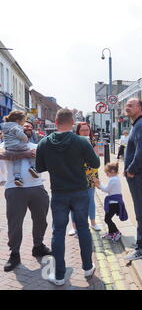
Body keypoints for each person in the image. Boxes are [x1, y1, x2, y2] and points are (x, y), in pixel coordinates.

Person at [35, 108, 100, 286]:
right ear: (73, 122)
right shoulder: (81, 141)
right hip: (79, 191)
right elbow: (96, 163)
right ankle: (87, 267)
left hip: (59, 194)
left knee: (58, 232)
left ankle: (59, 275)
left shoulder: (44, 143)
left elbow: (39, 168)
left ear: (55, 122)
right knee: (83, 228)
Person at [0, 141, 52, 272]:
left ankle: (38, 246)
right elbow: (1, 154)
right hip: (15, 188)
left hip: (37, 187)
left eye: (28, 127)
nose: (25, 129)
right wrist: (26, 154)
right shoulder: (6, 144)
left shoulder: (36, 146)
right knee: (14, 224)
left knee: (41, 220)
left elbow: (46, 162)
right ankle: (14, 254)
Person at [123, 98, 142, 261]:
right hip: (137, 175)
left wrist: (131, 171)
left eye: (131, 105)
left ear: (140, 108)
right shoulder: (138, 125)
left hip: (138, 175)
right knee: (140, 211)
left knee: (141, 212)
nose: (127, 108)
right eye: (126, 105)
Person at [68, 122, 101, 237]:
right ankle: (74, 227)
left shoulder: (93, 141)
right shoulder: (73, 141)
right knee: (74, 201)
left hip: (91, 175)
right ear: (78, 131)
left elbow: (96, 158)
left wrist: (88, 146)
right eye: (82, 130)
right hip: (77, 175)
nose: (85, 132)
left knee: (90, 199)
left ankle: (93, 223)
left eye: (87, 130)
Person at [0, 111, 39, 186]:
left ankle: (17, 177)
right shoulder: (15, 127)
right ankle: (33, 167)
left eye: (30, 127)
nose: (24, 124)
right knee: (30, 153)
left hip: (9, 147)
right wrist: (25, 140)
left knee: (16, 162)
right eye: (24, 123)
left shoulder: (6, 127)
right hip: (17, 145)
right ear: (18, 121)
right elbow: (20, 134)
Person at [94, 162, 128, 243]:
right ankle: (111, 233)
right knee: (108, 218)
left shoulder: (113, 180)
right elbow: (108, 188)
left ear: (112, 171)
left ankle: (116, 232)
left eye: (107, 173)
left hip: (114, 203)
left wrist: (98, 184)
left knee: (107, 219)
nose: (106, 175)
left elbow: (106, 189)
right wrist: (99, 184)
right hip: (114, 202)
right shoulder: (115, 179)